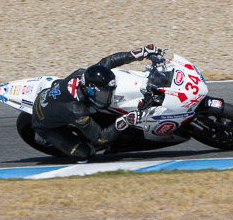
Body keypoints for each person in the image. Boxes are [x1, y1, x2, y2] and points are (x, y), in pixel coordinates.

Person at [30, 44, 159, 162]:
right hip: (44, 125)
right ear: (89, 91)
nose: (107, 96)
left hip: (52, 98)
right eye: (103, 94)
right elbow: (100, 137)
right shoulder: (77, 111)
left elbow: (108, 61)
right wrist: (125, 121)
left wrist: (138, 54)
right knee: (85, 154)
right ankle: (45, 138)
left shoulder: (83, 74)